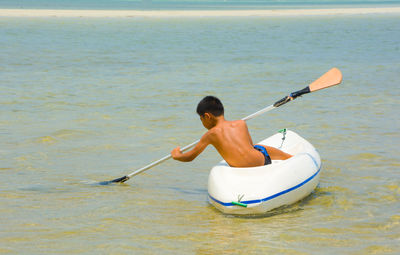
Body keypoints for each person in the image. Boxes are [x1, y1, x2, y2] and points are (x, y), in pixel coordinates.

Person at [171, 96, 292, 167]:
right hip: (262, 162)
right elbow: (250, 146)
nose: (202, 123)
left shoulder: (209, 135)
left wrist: (177, 155)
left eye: (201, 119)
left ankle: (288, 157)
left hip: (241, 168)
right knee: (257, 147)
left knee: (257, 147)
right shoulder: (241, 123)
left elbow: (190, 157)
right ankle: (288, 157)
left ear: (207, 116)